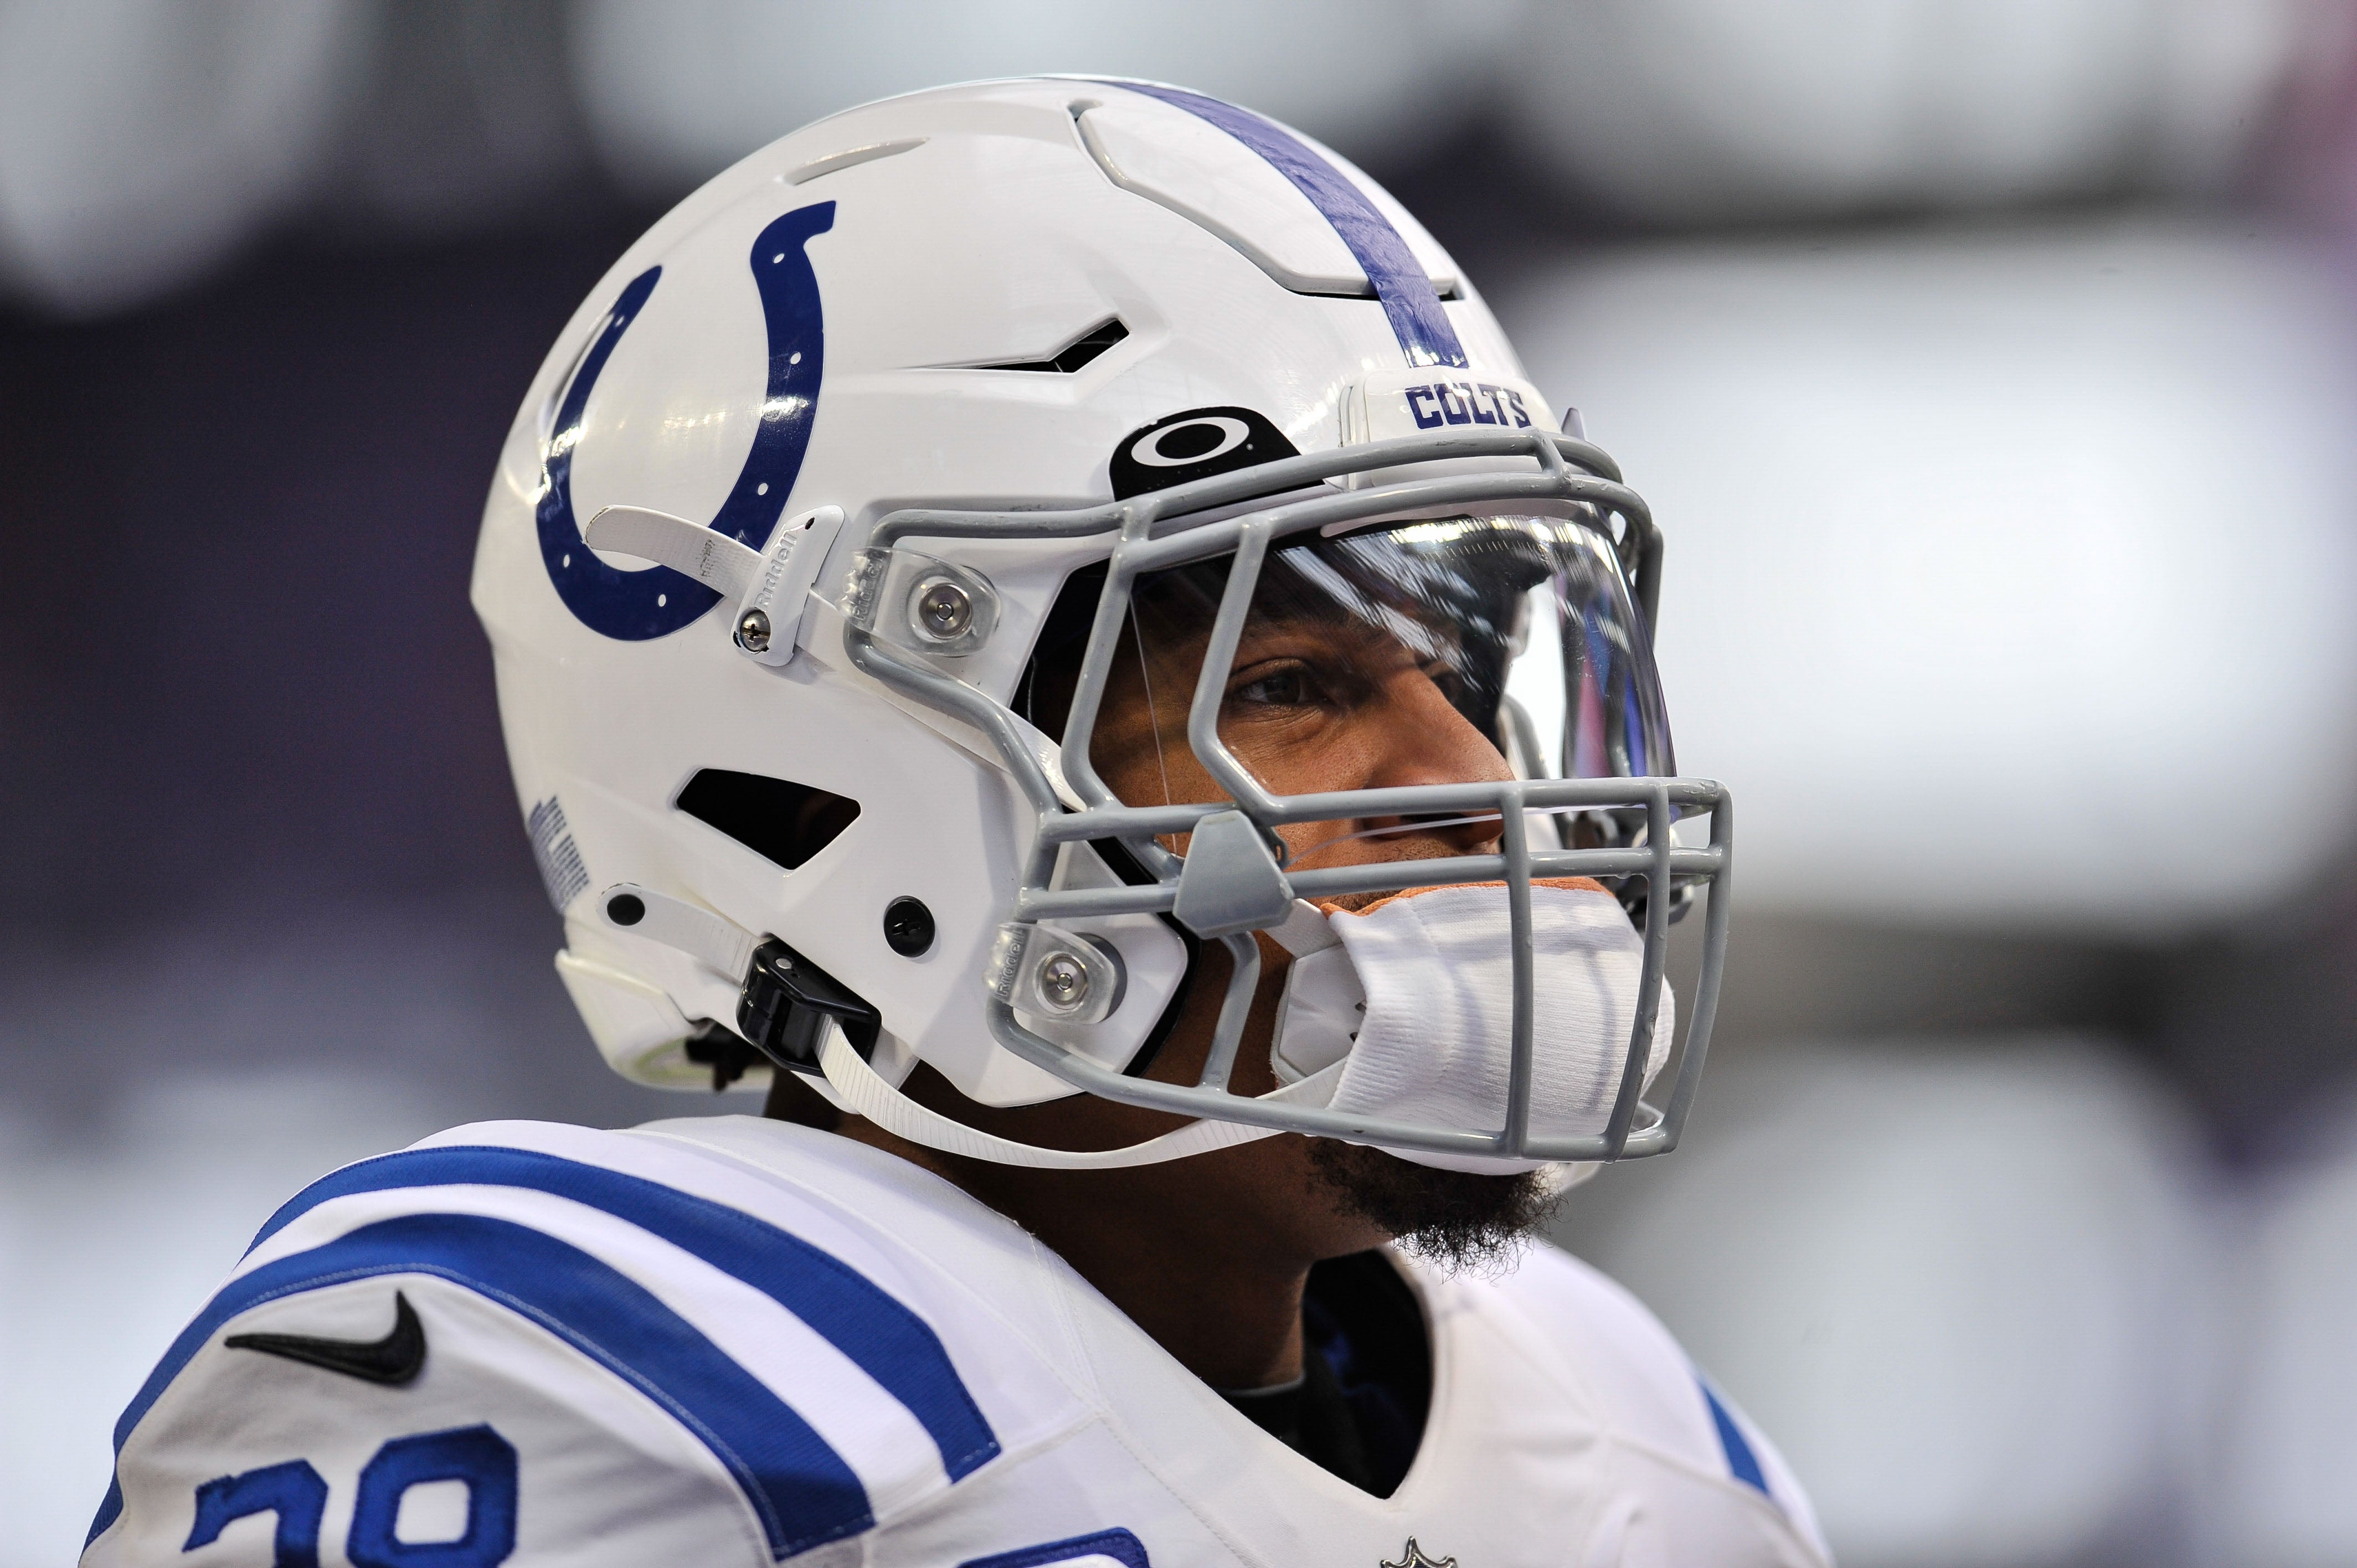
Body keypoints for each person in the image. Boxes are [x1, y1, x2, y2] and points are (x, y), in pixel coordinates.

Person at [86, 79, 1828, 1567]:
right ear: (832, 795)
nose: (1468, 776)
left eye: (1462, 673)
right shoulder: (606, 1384)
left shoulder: (1636, 1441)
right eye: (1286, 685)